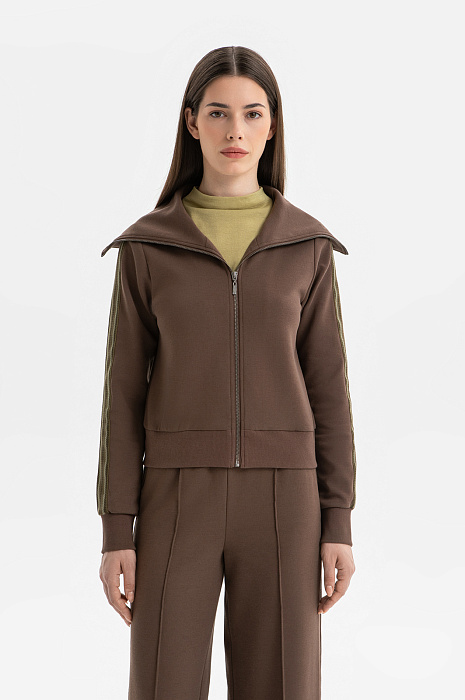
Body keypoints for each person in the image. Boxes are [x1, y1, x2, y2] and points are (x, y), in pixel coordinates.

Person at [97, 45, 357, 700]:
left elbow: (329, 391)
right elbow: (122, 396)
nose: (234, 131)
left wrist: (337, 520)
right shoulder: (148, 247)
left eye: (251, 113)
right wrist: (116, 529)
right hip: (174, 495)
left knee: (282, 686)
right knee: (162, 683)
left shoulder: (307, 248)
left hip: (286, 500)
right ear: (192, 123)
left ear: (271, 126)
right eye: (217, 113)